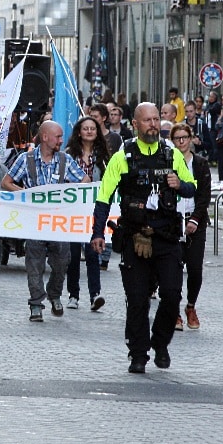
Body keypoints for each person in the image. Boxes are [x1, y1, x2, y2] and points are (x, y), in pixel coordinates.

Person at [89, 103, 196, 373]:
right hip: (135, 237)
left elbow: (191, 188)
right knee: (137, 300)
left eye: (156, 120)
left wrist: (179, 185)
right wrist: (98, 232)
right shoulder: (122, 156)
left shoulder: (171, 154)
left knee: (172, 295)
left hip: (167, 236)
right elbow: (104, 198)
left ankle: (160, 343)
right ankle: (138, 354)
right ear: (135, 124)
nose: (153, 124)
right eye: (147, 120)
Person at [2, 121, 90, 322]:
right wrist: (25, 194)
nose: (61, 140)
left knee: (62, 261)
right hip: (35, 221)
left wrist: (71, 193)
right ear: (45, 137)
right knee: (34, 263)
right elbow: (6, 182)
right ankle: (36, 303)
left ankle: (54, 293)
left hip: (59, 221)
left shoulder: (64, 160)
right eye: (58, 136)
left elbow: (84, 180)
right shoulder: (26, 159)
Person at [64, 116, 110, 311]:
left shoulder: (104, 156)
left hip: (95, 210)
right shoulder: (69, 155)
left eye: (93, 128)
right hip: (74, 210)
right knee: (73, 255)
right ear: (79, 132)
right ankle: (73, 294)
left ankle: (95, 294)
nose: (90, 131)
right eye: (86, 128)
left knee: (93, 252)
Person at [170, 123, 211, 330]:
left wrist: (194, 219)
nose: (181, 141)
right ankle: (174, 311)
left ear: (191, 138)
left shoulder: (201, 164)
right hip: (172, 222)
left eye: (184, 137)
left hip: (195, 221)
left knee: (195, 269)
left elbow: (204, 195)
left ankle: (191, 306)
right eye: (177, 138)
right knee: (173, 269)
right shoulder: (168, 162)